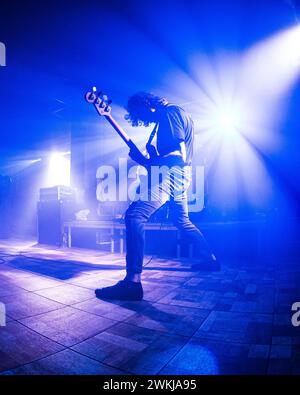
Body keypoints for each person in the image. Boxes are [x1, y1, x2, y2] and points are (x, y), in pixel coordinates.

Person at [95, 92, 219, 301]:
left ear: (147, 105)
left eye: (141, 115)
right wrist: (143, 160)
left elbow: (176, 156)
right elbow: (166, 159)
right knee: (181, 220)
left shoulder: (169, 113)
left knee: (135, 216)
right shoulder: (172, 115)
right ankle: (210, 259)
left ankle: (132, 283)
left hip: (172, 174)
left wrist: (148, 162)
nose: (144, 120)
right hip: (180, 176)